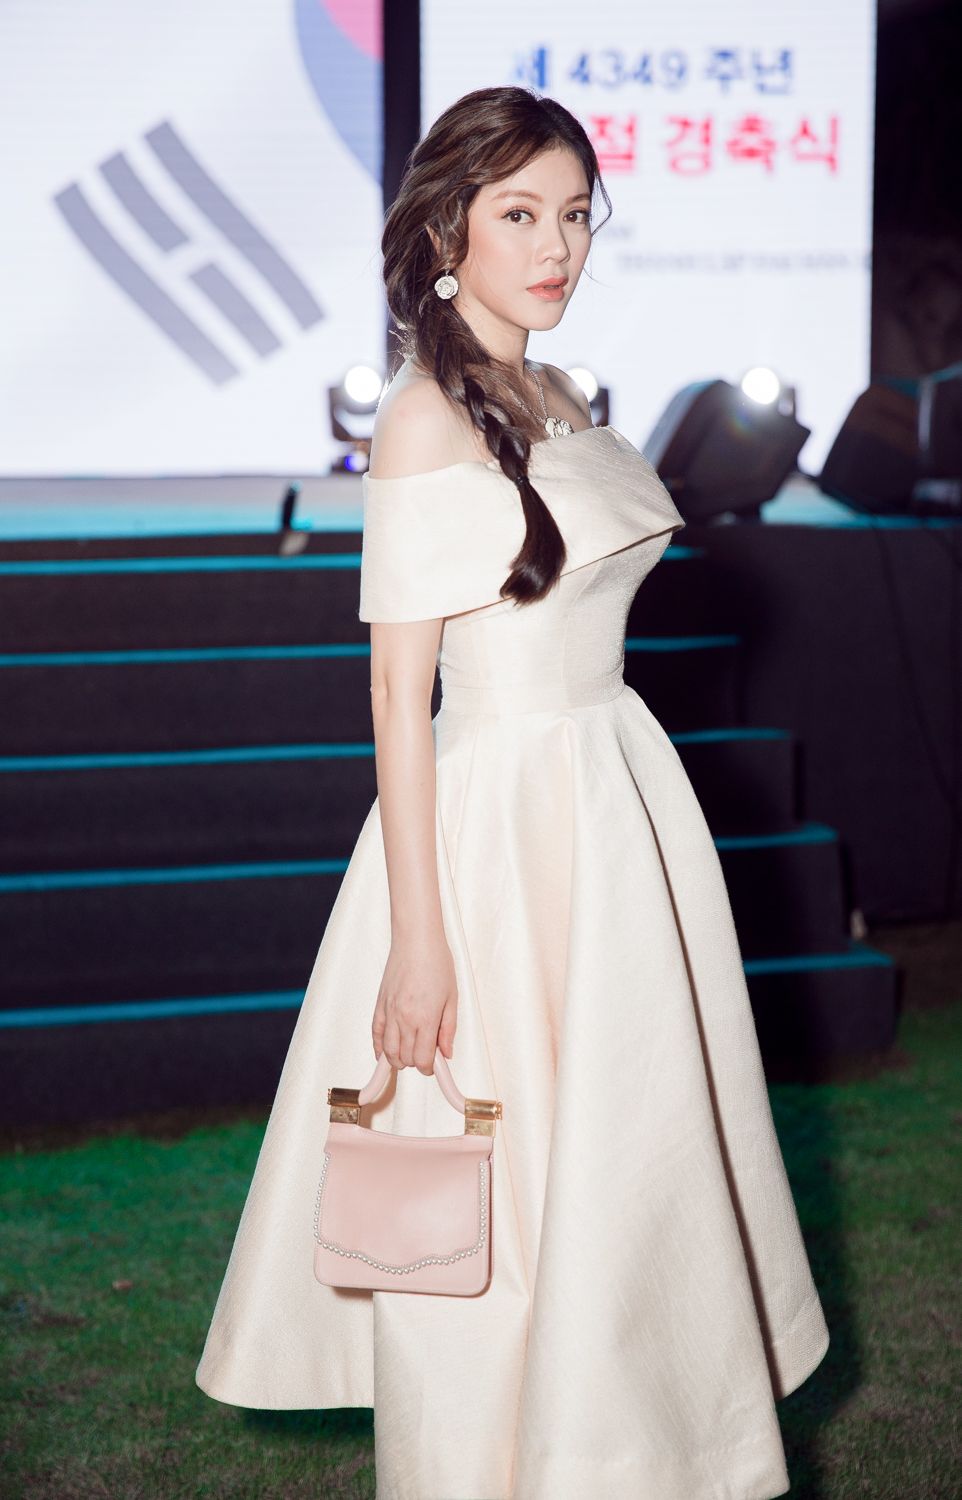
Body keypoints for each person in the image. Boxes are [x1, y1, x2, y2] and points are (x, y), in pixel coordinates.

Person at [197, 86, 828, 1500]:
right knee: (480, 1193)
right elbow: (395, 695)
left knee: (622, 1165)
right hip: (498, 829)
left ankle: (617, 1447)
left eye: (575, 215)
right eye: (520, 214)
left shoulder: (561, 396)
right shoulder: (422, 421)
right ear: (448, 233)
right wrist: (419, 939)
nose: (556, 247)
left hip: (611, 802)